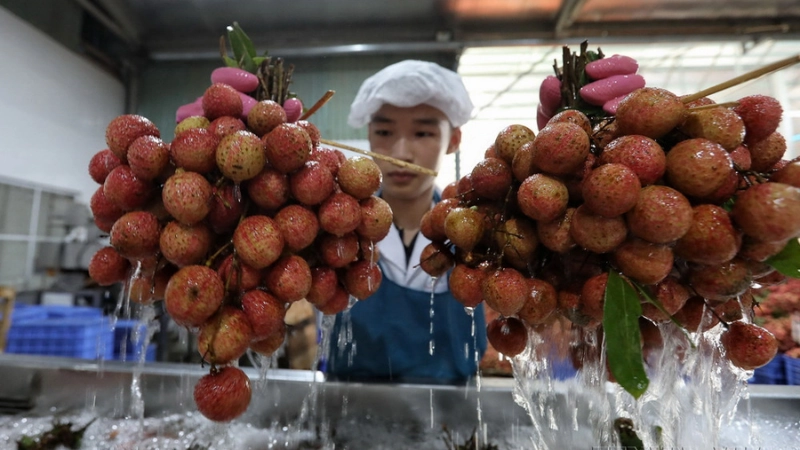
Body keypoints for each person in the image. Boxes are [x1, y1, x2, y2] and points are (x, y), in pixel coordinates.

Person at [325, 60, 488, 384]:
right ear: (369, 136)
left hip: (452, 420)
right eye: (385, 132)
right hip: (349, 411)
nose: (401, 153)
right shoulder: (337, 228)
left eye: (423, 132)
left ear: (454, 140)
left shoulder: (477, 234)